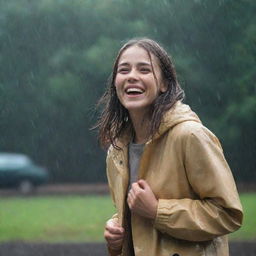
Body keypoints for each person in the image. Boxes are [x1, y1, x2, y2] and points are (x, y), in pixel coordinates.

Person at [96, 38, 243, 256]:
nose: (132, 76)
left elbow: (227, 214)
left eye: (144, 69)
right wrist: (117, 235)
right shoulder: (117, 150)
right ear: (115, 82)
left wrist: (158, 211)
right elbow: (135, 213)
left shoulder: (190, 136)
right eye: (123, 70)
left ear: (164, 84)